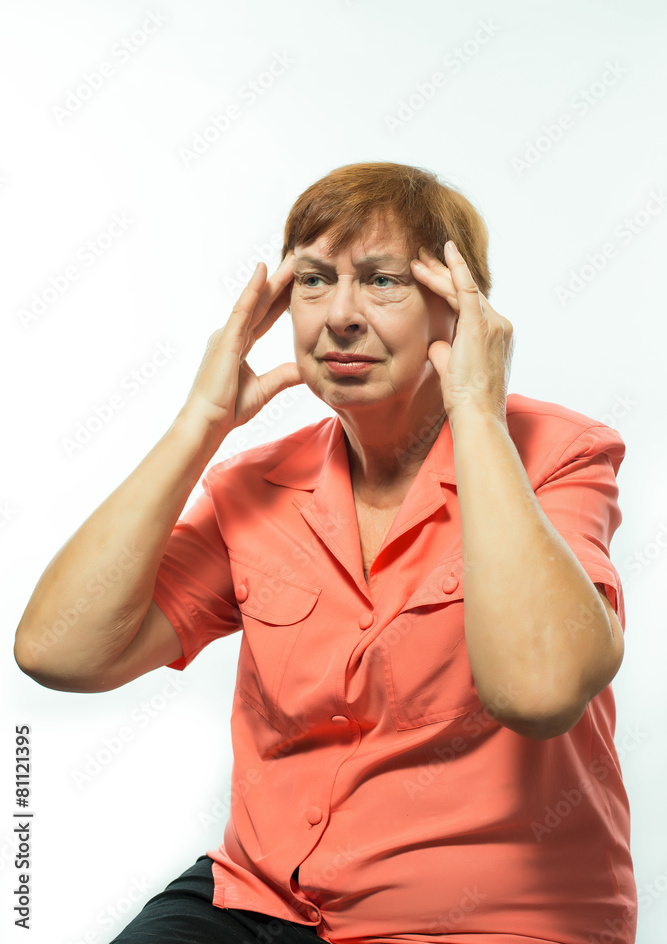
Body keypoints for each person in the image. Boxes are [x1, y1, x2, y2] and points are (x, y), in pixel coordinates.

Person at [14, 162, 637, 944]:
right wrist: (199, 422)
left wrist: (474, 411)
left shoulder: (558, 452)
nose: (337, 315)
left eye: (381, 281)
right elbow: (57, 652)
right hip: (262, 895)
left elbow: (540, 692)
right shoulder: (257, 483)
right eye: (312, 280)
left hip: (481, 917)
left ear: (460, 307)